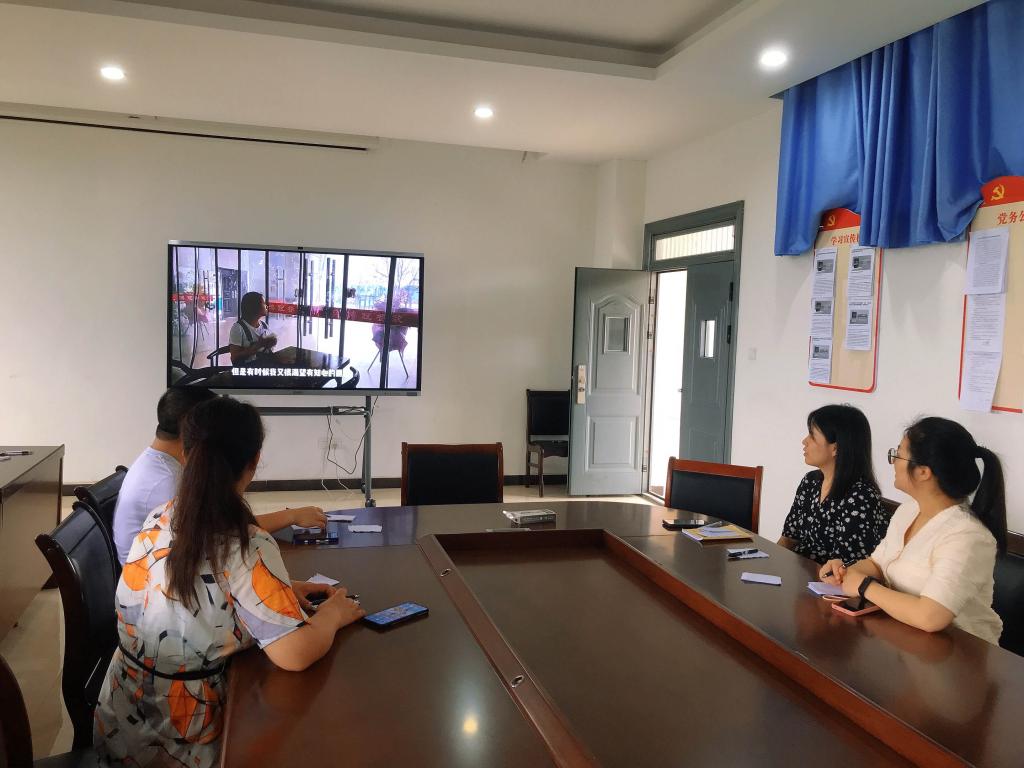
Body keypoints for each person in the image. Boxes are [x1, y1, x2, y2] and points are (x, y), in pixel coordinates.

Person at [95, 398, 365, 767]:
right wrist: (333, 614)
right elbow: (295, 655)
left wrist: (279, 588)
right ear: (254, 462)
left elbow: (200, 585)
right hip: (181, 738)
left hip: (119, 722)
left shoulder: (162, 515)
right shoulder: (247, 544)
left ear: (186, 454)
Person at [820, 417, 1005, 644]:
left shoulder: (967, 536)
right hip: (904, 638)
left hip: (959, 651)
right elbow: (878, 563)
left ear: (923, 472)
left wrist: (864, 586)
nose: (893, 462)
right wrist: (844, 571)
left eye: (898, 455)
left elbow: (930, 617)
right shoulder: (908, 510)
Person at [112, 388, 327, 564]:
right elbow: (224, 531)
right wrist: (290, 517)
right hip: (161, 583)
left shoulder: (158, 465)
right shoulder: (167, 482)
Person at [778, 404, 888, 565]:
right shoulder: (810, 481)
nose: (804, 441)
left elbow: (844, 565)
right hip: (798, 571)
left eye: (812, 436)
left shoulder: (861, 496)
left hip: (828, 578)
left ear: (836, 448)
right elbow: (789, 538)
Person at [229, 291, 277, 366]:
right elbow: (234, 359)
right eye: (264, 303)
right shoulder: (238, 328)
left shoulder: (264, 325)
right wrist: (258, 345)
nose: (266, 306)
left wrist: (271, 343)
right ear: (255, 307)